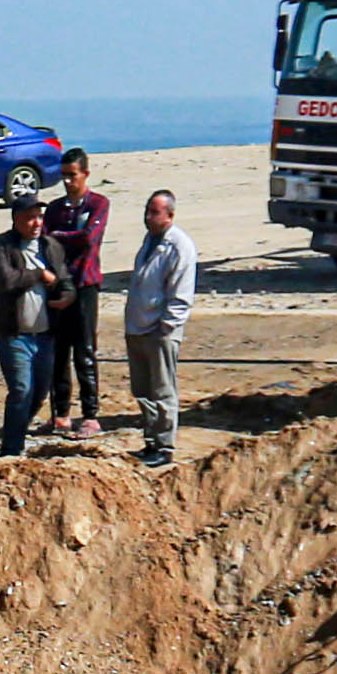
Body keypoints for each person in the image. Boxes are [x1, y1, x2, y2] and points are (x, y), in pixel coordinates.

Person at [0, 176, 71, 458]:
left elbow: (65, 279)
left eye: (38, 217)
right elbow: (5, 281)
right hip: (14, 333)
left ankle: (18, 429)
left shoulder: (51, 247)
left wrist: (68, 294)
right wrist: (38, 275)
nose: (36, 223)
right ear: (16, 219)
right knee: (21, 389)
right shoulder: (0, 246)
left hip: (45, 335)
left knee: (38, 392)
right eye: (30, 218)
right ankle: (11, 449)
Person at [119, 188, 198, 469]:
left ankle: (165, 446)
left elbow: (180, 294)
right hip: (138, 327)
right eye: (147, 211)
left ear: (170, 215)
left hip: (159, 331)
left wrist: (165, 327)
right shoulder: (150, 241)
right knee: (142, 389)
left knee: (163, 389)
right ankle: (151, 440)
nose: (148, 217)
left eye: (154, 212)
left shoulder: (179, 246)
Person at [46, 148, 113, 442]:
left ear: (85, 173)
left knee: (84, 350)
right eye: (64, 176)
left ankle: (90, 414)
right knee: (58, 352)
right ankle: (60, 413)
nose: (68, 182)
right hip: (60, 284)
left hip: (85, 284)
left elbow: (88, 239)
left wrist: (61, 238)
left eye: (73, 176)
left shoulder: (98, 204)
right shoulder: (56, 208)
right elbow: (45, 241)